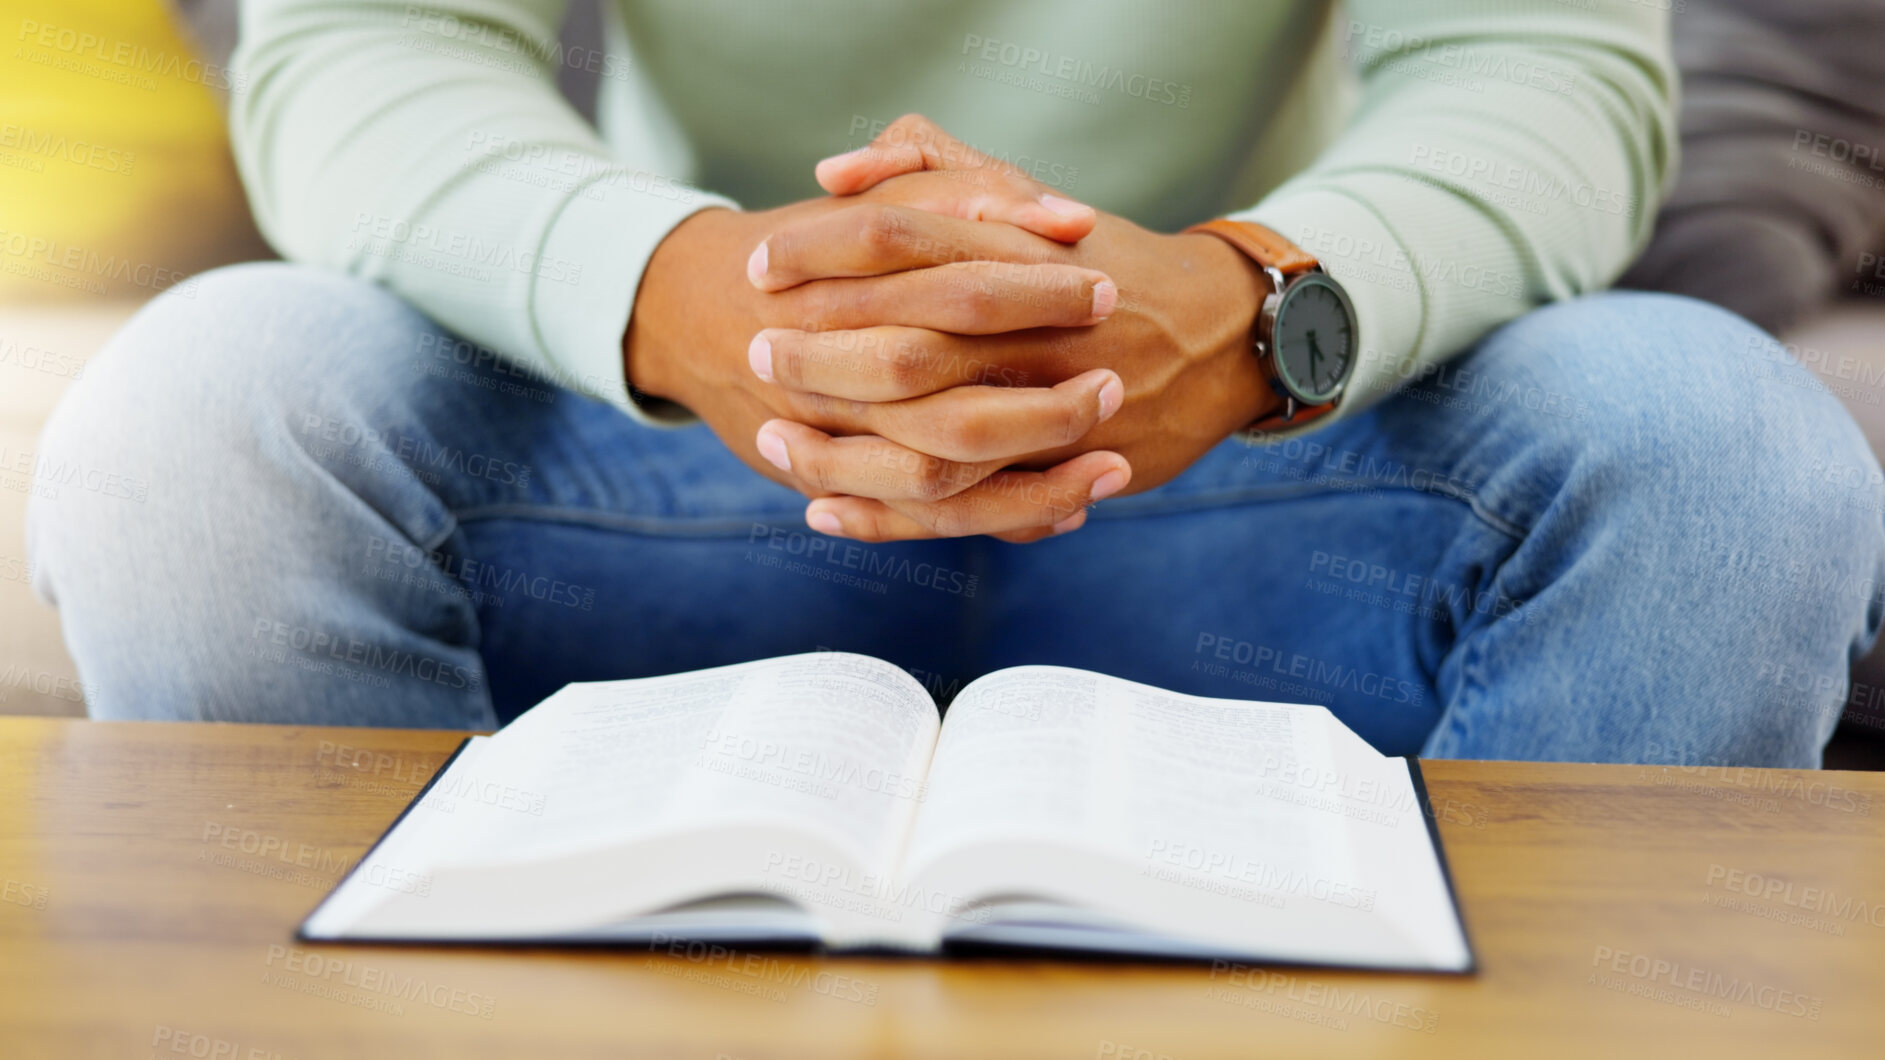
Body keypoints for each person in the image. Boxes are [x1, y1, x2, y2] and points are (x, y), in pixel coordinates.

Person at [27, 0, 1885, 767]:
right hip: (662, 448)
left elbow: (1540, 61)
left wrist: (1247, 309)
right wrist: (697, 303)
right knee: (203, 418)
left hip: (1265, 459)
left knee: (1715, 448)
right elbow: (368, 44)